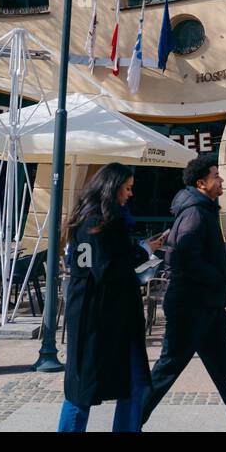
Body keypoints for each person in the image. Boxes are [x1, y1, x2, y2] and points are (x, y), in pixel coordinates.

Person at [140, 153, 226, 432]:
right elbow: (181, 256)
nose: (221, 180)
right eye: (216, 176)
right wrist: (216, 278)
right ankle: (130, 422)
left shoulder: (203, 209)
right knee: (167, 370)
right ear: (201, 183)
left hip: (209, 308)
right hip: (191, 307)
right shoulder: (195, 212)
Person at [58, 163, 164, 432]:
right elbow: (106, 269)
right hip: (96, 315)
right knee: (82, 389)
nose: (130, 194)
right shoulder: (96, 223)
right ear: (113, 187)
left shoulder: (98, 220)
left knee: (134, 382)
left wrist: (141, 249)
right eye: (127, 188)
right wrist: (142, 252)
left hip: (111, 314)